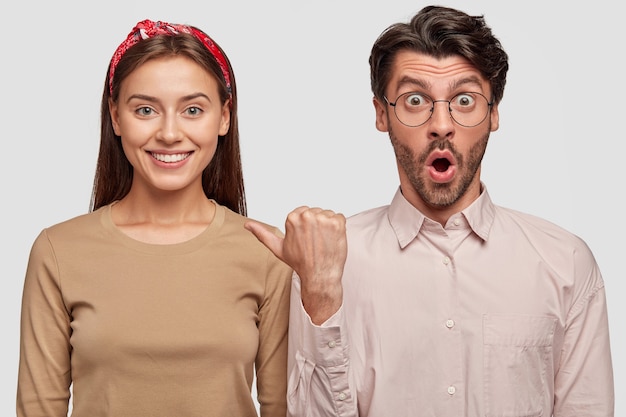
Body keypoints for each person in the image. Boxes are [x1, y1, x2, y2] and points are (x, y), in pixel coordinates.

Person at [245, 5, 615, 416]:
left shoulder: (566, 263)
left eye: (464, 99)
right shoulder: (327, 261)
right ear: (382, 114)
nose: (441, 123)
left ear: (493, 113)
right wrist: (321, 293)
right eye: (415, 99)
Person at [17, 19, 292, 417]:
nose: (168, 133)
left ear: (224, 117)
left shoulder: (266, 251)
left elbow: (283, 407)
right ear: (115, 117)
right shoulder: (58, 251)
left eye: (192, 109)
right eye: (145, 109)